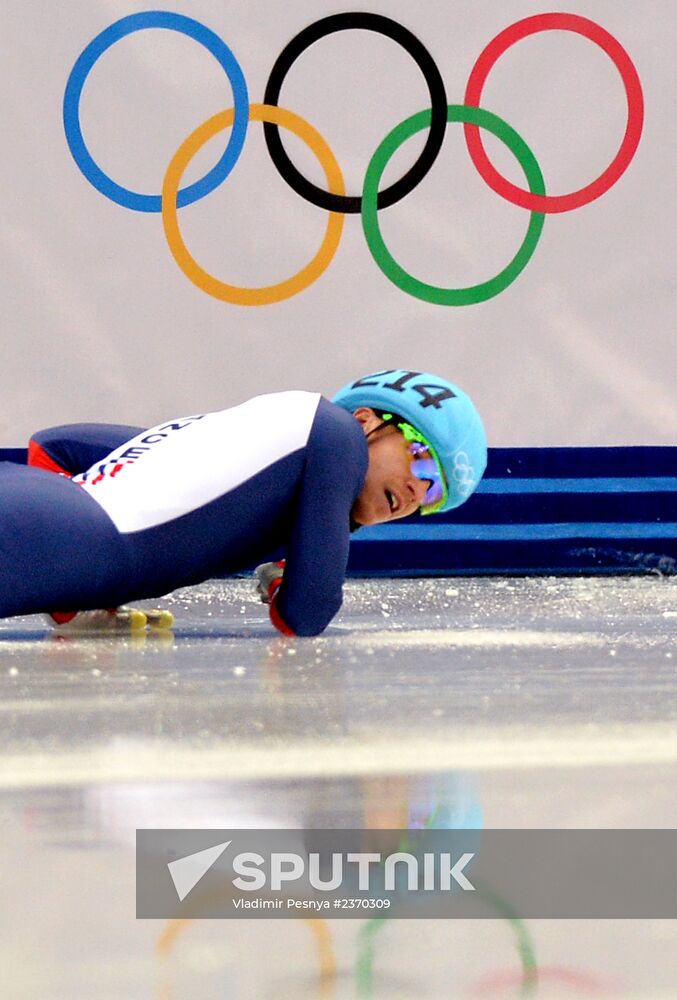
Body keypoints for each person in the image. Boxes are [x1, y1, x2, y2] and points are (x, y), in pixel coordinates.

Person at [0, 369, 487, 636]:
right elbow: (307, 611)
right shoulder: (335, 435)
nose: (416, 495)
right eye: (421, 461)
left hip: (48, 517)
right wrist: (284, 578)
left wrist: (74, 592)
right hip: (61, 532)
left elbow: (53, 446)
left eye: (434, 495)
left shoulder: (246, 437)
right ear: (366, 421)